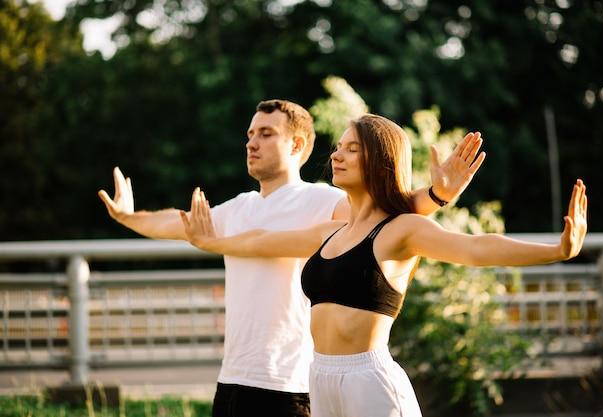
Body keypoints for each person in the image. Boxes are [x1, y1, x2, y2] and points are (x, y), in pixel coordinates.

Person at [179, 113, 588, 417]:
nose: (337, 154)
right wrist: (208, 240)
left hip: (368, 381)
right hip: (318, 380)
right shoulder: (330, 231)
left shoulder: (400, 230)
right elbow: (263, 241)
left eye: (352, 149)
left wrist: (556, 250)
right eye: (338, 146)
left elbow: (476, 248)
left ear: (380, 161)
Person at [99, 100, 487, 417]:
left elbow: (384, 215)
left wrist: (437, 195)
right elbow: (181, 223)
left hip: (290, 387)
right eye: (250, 134)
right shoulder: (238, 207)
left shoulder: (325, 200)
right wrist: (128, 216)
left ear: (298, 146)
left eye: (266, 134)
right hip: (232, 381)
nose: (252, 143)